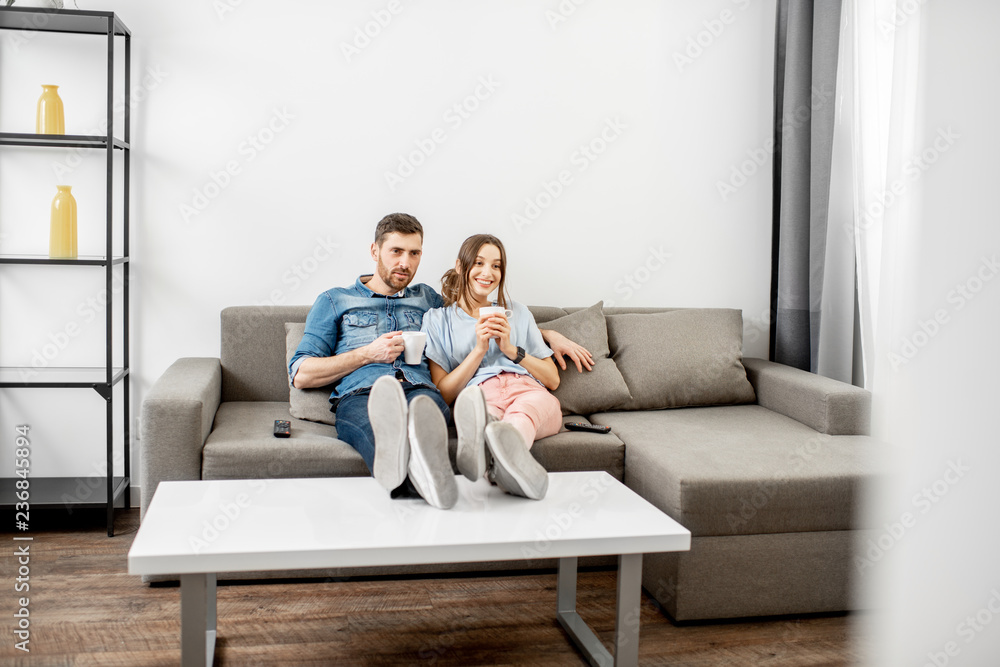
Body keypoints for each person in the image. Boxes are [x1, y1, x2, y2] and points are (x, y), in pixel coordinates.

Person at [288, 213, 593, 510]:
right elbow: (301, 374)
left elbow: (472, 315)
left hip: (420, 387)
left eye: (414, 253)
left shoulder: (428, 301)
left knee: (427, 408)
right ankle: (412, 474)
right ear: (374, 250)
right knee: (375, 425)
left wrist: (549, 334)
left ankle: (423, 467)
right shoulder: (334, 300)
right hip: (361, 392)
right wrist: (367, 354)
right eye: (396, 251)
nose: (405, 263)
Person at [421, 234, 562, 500]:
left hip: (528, 390)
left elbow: (552, 380)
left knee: (522, 413)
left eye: (496, 266)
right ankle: (503, 465)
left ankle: (488, 460)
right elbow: (443, 393)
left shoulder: (517, 313)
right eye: (479, 263)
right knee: (483, 415)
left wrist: (512, 350)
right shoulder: (437, 320)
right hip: (480, 393)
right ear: (461, 267)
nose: (488, 273)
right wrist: (478, 351)